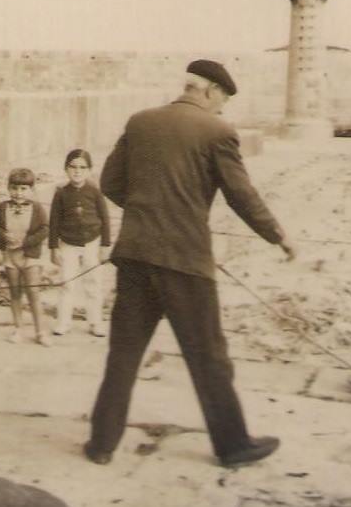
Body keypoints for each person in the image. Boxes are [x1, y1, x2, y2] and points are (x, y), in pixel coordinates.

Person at [85, 59, 296, 468]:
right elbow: (241, 195)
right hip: (185, 261)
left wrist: (149, 212)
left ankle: (101, 444)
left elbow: (110, 182)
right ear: (211, 91)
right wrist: (278, 236)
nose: (223, 108)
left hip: (135, 255)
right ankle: (234, 446)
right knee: (209, 356)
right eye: (224, 100)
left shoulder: (141, 121)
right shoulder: (218, 131)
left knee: (124, 354)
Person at [49, 149, 112, 337]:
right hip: (68, 244)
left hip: (92, 243)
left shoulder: (95, 192)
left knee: (93, 283)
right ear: (66, 169)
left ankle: (95, 322)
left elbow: (105, 219)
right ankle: (63, 322)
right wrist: (53, 247)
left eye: (83, 167)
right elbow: (54, 222)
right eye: (73, 167)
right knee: (67, 283)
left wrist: (105, 245)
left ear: (89, 170)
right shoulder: (61, 193)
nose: (77, 171)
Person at [0, 168, 53, 346]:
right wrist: (3, 236)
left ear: (31, 190)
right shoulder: (3, 207)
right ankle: (18, 329)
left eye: (23, 189)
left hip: (30, 256)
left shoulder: (36, 208)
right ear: (9, 188)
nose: (18, 193)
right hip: (11, 256)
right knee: (15, 293)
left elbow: (45, 229)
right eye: (14, 188)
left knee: (33, 293)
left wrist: (25, 242)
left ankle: (41, 332)